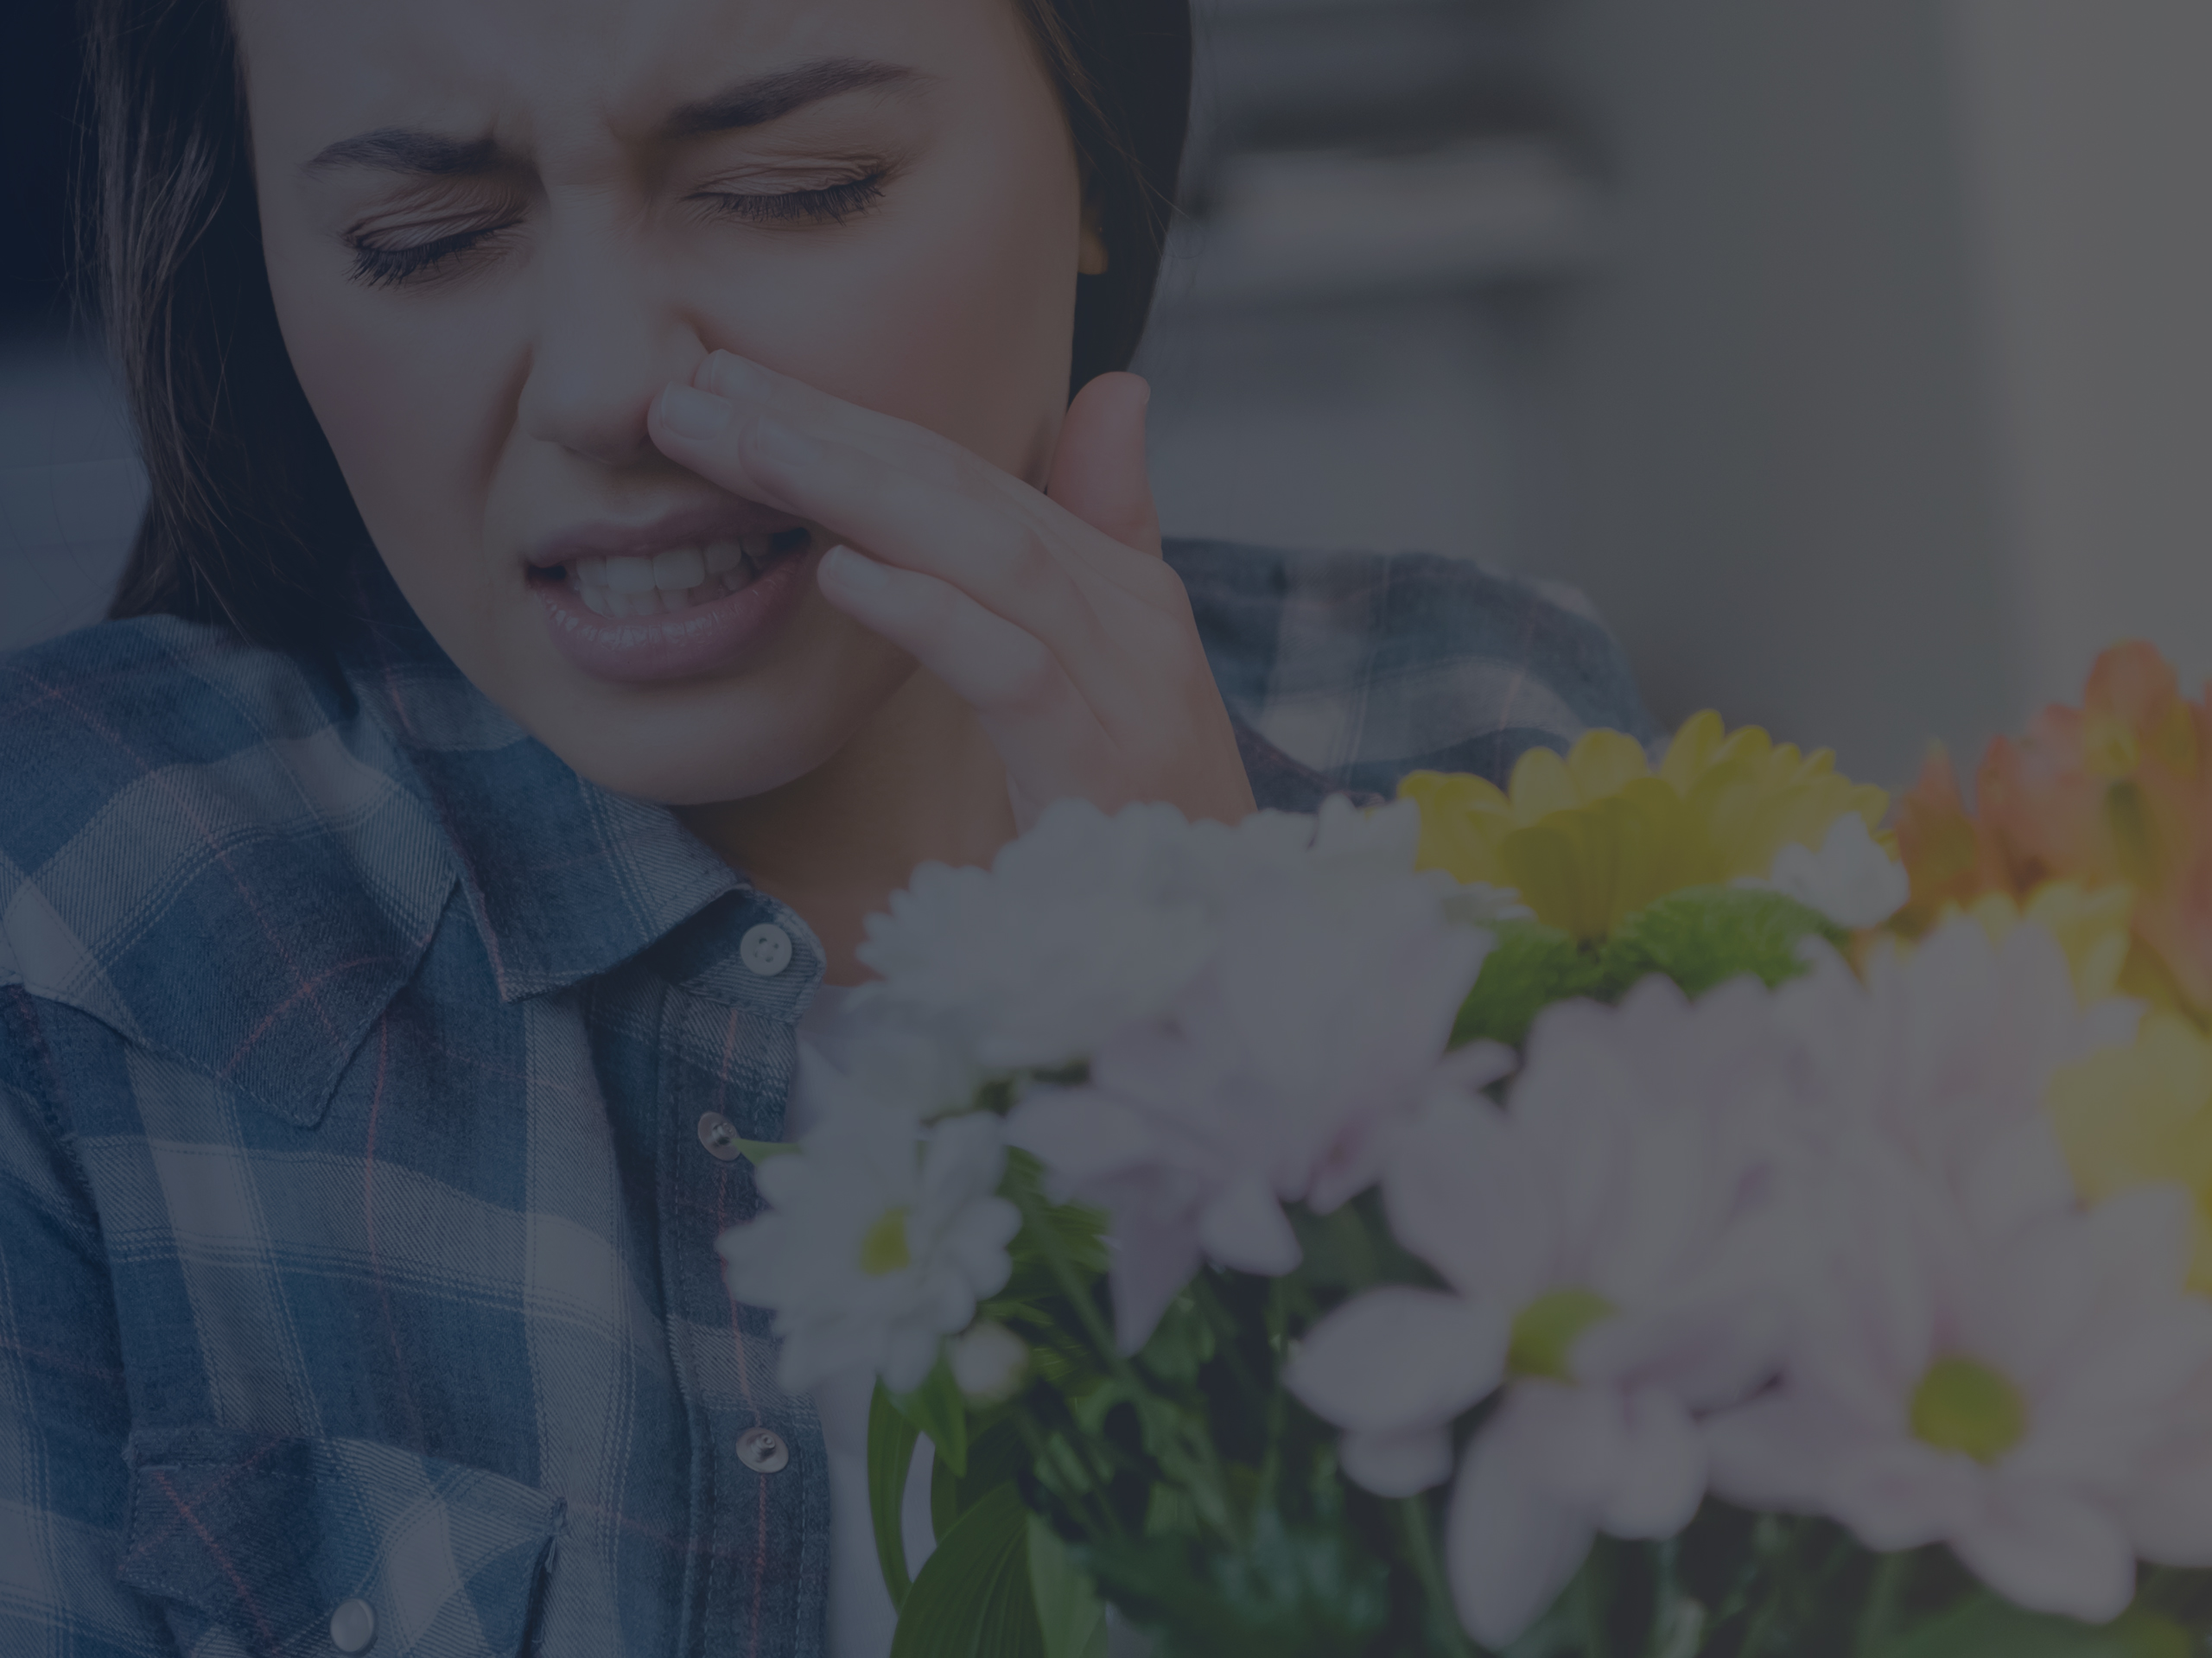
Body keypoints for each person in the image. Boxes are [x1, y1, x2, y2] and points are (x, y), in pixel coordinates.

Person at [0, 0, 1654, 1652]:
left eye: (797, 183)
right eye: (417, 239)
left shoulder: (1486, 767)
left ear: (1101, 156)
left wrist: (1240, 1037)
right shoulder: (80, 933)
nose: (603, 388)